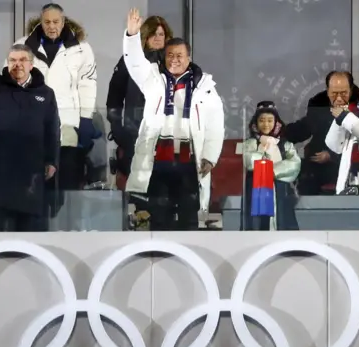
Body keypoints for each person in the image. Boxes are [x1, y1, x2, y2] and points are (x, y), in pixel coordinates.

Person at [123, 8, 224, 231]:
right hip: (160, 161)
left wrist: (209, 156)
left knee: (189, 217)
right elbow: (134, 63)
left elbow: (216, 125)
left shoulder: (205, 86)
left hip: (190, 162)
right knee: (159, 217)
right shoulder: (153, 79)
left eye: (180, 55)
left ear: (189, 58)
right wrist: (131, 36)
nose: (174, 60)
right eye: (170, 55)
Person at [0, 29, 60, 232]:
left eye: (22, 60)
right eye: (12, 60)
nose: (17, 64)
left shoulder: (46, 93)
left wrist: (52, 161)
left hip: (30, 172)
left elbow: (52, 129)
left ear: (31, 64)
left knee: (31, 235)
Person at [14, 3, 97, 191]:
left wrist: (86, 119)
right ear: (40, 22)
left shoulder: (82, 49)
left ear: (63, 21)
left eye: (56, 22)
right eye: (47, 22)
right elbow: (11, 81)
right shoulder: (22, 46)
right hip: (32, 126)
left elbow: (87, 85)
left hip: (67, 125)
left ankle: (67, 220)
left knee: (67, 183)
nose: (52, 26)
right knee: (33, 184)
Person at [106, 15, 172, 185]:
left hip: (165, 133)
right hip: (133, 130)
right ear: (145, 36)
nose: (157, 39)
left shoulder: (172, 62)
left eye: (161, 34)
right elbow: (115, 94)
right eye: (153, 34)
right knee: (138, 182)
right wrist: (116, 126)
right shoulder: (131, 60)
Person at [283, 71, 359, 195]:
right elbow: (305, 128)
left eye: (344, 93)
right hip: (318, 167)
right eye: (334, 94)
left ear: (351, 90)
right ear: (327, 91)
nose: (339, 98)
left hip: (350, 167)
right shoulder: (319, 106)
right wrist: (279, 133)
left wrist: (332, 156)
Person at [242, 101, 300, 230]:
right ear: (256, 123)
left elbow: (295, 164)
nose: (266, 124)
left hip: (280, 190)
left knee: (282, 220)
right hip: (256, 189)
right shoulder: (250, 143)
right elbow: (249, 162)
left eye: (270, 120)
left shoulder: (286, 145)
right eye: (262, 120)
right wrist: (262, 148)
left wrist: (272, 171)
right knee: (257, 223)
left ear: (276, 122)